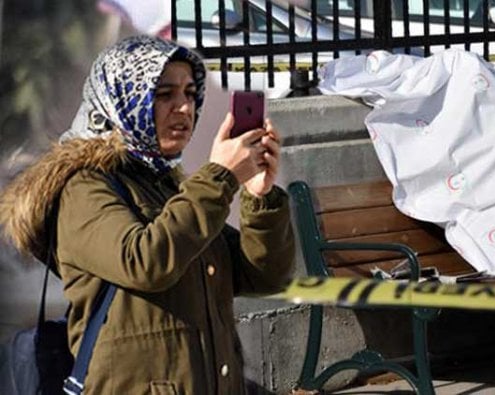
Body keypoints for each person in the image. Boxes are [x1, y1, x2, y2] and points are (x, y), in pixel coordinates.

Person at [0, 35, 295, 394]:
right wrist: (221, 176)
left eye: (189, 93)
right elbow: (144, 261)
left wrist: (259, 197)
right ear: (123, 98)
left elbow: (263, 278)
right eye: (164, 94)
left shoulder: (168, 186)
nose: (184, 108)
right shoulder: (83, 188)